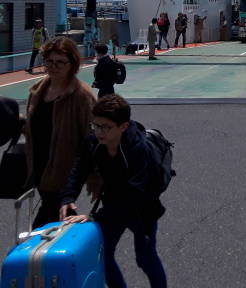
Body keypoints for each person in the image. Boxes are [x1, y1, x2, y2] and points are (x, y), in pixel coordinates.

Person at [60, 95, 167, 288]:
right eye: (96, 125)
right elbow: (79, 169)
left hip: (142, 209)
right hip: (114, 206)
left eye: (105, 127)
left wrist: (95, 216)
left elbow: (135, 192)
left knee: (145, 258)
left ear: (123, 127)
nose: (99, 132)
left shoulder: (139, 150)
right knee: (103, 255)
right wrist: (68, 197)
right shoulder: (94, 142)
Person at [23, 36, 96, 227]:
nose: (53, 67)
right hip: (38, 164)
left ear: (72, 64)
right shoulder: (38, 91)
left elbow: (92, 137)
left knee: (47, 219)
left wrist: (93, 175)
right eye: (49, 62)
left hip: (64, 169)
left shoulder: (81, 96)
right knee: (58, 218)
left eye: (60, 62)